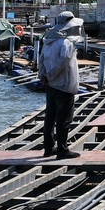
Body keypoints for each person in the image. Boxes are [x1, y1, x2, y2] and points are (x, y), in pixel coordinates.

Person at [39, 11, 83, 159]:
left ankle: (48, 148)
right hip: (63, 85)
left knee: (50, 117)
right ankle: (62, 149)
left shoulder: (48, 41)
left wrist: (43, 76)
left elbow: (41, 60)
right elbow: (62, 61)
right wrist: (51, 75)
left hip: (50, 85)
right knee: (64, 119)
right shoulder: (66, 43)